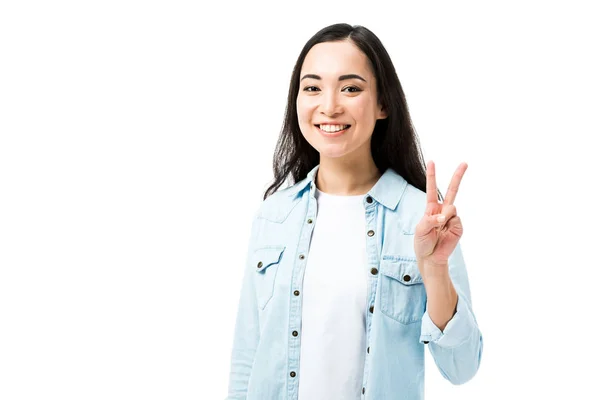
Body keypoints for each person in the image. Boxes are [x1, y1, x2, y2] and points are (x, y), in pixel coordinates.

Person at [226, 23, 483, 400]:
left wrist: (435, 270)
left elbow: (462, 367)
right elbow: (247, 359)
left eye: (350, 88)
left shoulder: (421, 218)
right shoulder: (273, 216)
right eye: (312, 87)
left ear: (382, 104)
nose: (329, 105)